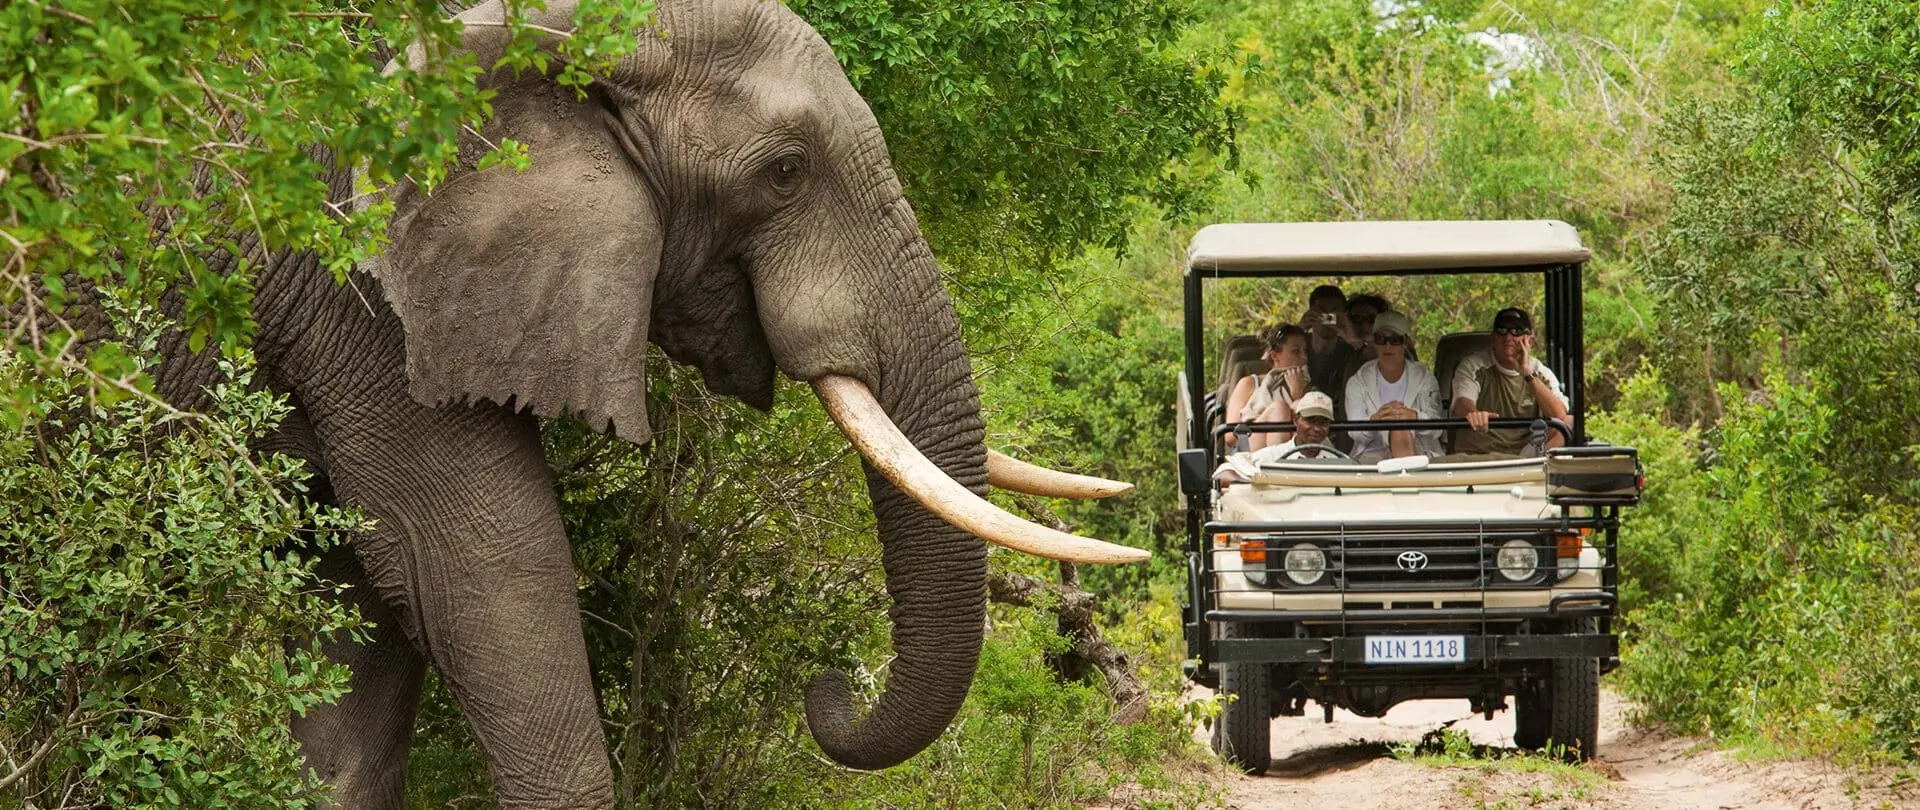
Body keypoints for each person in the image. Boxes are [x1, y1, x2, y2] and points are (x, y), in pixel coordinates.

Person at [1451, 307, 1570, 456]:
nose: (1508, 337)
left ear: (1530, 341)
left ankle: (1539, 469)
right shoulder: (1473, 366)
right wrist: (1473, 414)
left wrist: (1527, 374)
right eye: (1502, 330)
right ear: (1493, 338)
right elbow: (1462, 402)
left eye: (1517, 331)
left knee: (1569, 422)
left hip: (1524, 457)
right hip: (1479, 454)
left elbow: (1560, 416)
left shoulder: (1540, 372)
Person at [1343, 310, 1443, 463]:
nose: (1387, 346)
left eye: (1395, 340)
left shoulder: (1425, 377)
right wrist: (1374, 421)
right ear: (1374, 343)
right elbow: (1355, 433)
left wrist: (1414, 417)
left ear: (1405, 343)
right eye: (1381, 339)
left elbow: (1437, 428)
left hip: (1421, 452)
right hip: (1372, 455)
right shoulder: (1357, 381)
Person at [1213, 392, 1341, 484]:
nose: (1317, 428)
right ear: (1296, 421)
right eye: (1310, 421)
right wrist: (1251, 482)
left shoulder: (1340, 463)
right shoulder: (1272, 456)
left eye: (1323, 422)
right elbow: (1222, 473)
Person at [1224, 323, 1311, 451]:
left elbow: (1313, 433)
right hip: (1249, 450)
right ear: (1274, 355)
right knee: (1279, 408)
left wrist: (1298, 396)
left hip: (1300, 451)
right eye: (1296, 351)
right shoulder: (1249, 384)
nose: (1304, 358)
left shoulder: (1308, 387)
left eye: (1305, 352)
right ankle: (1278, 465)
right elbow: (1230, 437)